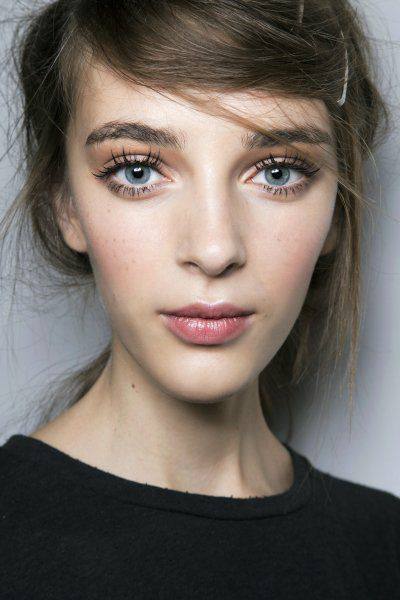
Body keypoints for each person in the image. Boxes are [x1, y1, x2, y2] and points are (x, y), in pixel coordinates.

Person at [0, 0, 398, 597]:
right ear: (65, 204)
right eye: (137, 170)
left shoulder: (385, 548)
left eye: (278, 172)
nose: (214, 250)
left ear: (338, 211)